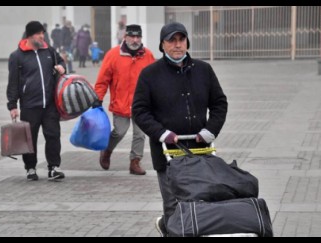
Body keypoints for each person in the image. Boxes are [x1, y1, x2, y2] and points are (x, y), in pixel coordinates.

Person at [132, 22, 228, 236]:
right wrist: (162, 133)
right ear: (162, 45)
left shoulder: (203, 70)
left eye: (181, 39)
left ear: (187, 42)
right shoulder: (150, 74)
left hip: (199, 149)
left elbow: (219, 103)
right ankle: (171, 227)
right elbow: (140, 111)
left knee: (202, 201)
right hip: (167, 152)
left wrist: (210, 130)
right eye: (171, 40)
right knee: (174, 204)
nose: (177, 45)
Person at [7, 21, 67, 181]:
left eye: (43, 33)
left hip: (50, 104)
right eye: (39, 33)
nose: (42, 36)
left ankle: (54, 167)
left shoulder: (49, 51)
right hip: (29, 105)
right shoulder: (17, 56)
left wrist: (62, 67)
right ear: (30, 36)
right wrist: (12, 105)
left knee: (53, 135)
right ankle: (30, 168)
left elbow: (60, 62)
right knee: (30, 138)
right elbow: (13, 82)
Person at [94, 24, 156, 175]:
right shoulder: (113, 55)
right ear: (125, 37)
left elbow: (156, 80)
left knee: (140, 134)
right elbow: (103, 80)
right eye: (132, 36)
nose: (135, 40)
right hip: (120, 102)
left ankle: (135, 162)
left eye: (138, 37)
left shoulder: (147, 55)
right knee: (119, 132)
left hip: (141, 104)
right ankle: (107, 151)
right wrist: (98, 98)